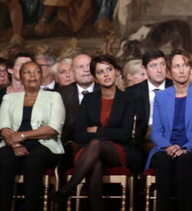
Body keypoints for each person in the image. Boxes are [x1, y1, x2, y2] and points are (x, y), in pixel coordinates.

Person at [55, 55, 144, 210]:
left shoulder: (128, 99)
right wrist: (107, 133)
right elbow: (78, 134)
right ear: (95, 78)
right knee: (95, 162)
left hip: (119, 151)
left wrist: (97, 130)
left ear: (117, 72)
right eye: (101, 72)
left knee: (96, 143)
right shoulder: (89, 100)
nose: (106, 74)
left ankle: (67, 188)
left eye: (109, 69)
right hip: (88, 151)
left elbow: (124, 135)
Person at [145, 50, 192, 211]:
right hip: (166, 148)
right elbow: (156, 132)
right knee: (163, 160)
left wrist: (185, 148)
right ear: (169, 73)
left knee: (183, 160)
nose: (182, 70)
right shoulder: (161, 97)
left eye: (185, 65)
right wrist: (168, 146)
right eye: (177, 66)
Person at [0, 61, 65, 211]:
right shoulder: (9, 98)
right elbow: (3, 127)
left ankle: (30, 207)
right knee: (4, 160)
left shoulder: (54, 97)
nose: (32, 75)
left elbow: (53, 129)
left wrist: (23, 136)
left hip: (45, 144)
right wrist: (16, 144)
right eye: (27, 72)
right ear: (19, 76)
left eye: (36, 72)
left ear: (41, 75)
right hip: (12, 143)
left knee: (33, 161)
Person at [127, 48, 171, 153]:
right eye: (153, 66)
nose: (159, 70)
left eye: (162, 64)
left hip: (171, 137)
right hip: (142, 140)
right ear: (145, 69)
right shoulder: (132, 92)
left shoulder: (176, 88)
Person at [56, 53, 95, 154]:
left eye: (89, 66)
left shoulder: (105, 91)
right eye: (81, 67)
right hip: (70, 145)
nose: (86, 69)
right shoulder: (61, 95)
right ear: (72, 72)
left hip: (100, 142)